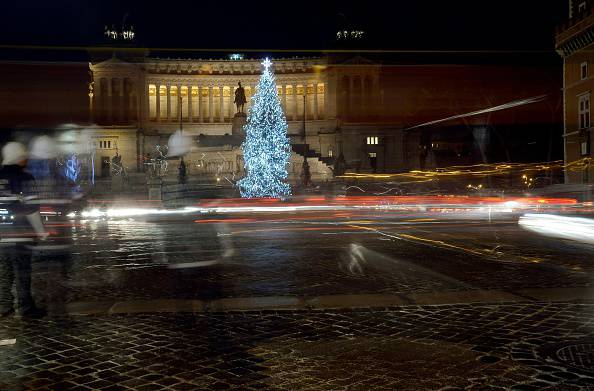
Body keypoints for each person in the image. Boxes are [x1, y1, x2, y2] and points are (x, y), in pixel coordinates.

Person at [0, 142, 47, 318]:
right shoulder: (25, 178)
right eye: (24, 156)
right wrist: (41, 231)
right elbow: (32, 209)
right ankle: (26, 307)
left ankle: (4, 306)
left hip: (1, 233)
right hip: (20, 233)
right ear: (19, 157)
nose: (26, 159)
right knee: (22, 271)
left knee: (4, 270)